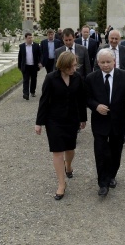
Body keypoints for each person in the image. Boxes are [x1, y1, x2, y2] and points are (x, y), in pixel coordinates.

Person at [35, 51, 87, 200]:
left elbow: (81, 100)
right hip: (54, 120)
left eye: (75, 66)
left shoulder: (77, 78)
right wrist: (39, 123)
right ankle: (61, 183)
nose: (75, 69)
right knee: (57, 151)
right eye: (72, 66)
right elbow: (44, 101)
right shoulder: (51, 78)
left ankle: (68, 165)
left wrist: (83, 119)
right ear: (64, 66)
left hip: (72, 120)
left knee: (70, 149)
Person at [85, 48, 125, 197]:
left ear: (114, 62)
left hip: (118, 121)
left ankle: (112, 175)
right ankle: (103, 183)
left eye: (108, 62)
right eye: (103, 62)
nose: (106, 65)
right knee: (100, 152)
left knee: (115, 151)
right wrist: (96, 106)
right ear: (98, 63)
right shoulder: (91, 78)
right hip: (100, 122)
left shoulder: (124, 76)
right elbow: (87, 98)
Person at [18, 32, 41, 100]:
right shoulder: (22, 46)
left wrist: (40, 62)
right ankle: (26, 94)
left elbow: (40, 54)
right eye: (29, 38)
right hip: (26, 66)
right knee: (26, 80)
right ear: (25, 38)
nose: (30, 39)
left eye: (31, 38)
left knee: (33, 79)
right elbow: (20, 57)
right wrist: (19, 66)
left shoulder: (36, 46)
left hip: (34, 66)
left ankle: (32, 91)